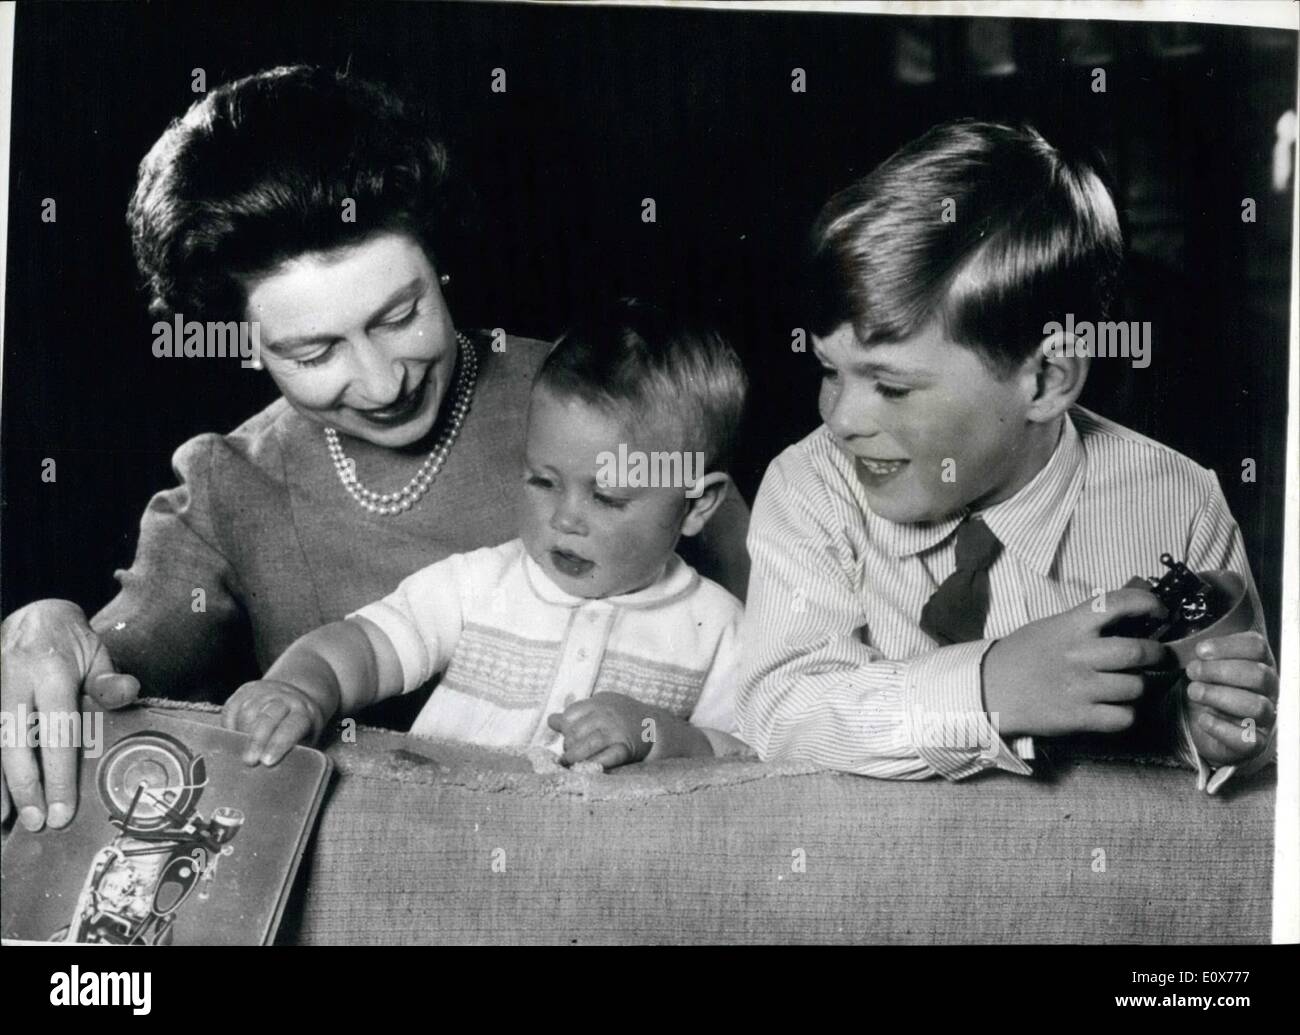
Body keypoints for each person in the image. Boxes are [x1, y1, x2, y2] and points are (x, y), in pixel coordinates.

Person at [0, 67, 751, 832]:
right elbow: (111, 668)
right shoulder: (229, 482)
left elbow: (781, 690)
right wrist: (44, 626)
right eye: (313, 351)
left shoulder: (615, 412)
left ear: (436, 256)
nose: (382, 379)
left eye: (400, 314)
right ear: (239, 340)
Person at [737, 120, 1276, 794]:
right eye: (829, 370)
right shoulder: (810, 487)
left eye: (893, 386)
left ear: (1047, 380)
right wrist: (988, 685)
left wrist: (1208, 731)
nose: (840, 418)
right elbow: (780, 710)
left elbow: (1247, 743)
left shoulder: (1180, 502)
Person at [222, 301, 751, 769]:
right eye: (542, 481)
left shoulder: (721, 629)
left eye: (607, 498)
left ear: (697, 505)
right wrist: (300, 688)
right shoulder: (481, 583)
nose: (564, 518)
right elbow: (363, 646)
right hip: (440, 834)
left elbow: (744, 758)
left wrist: (653, 734)